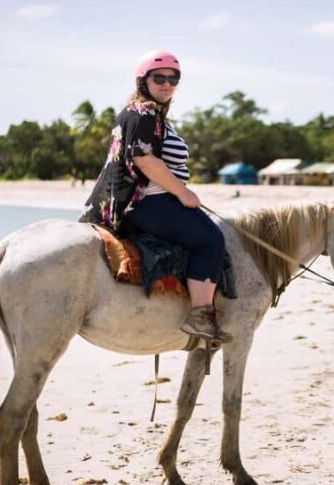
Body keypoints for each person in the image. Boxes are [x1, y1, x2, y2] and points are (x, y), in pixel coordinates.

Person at [79, 50, 231, 343]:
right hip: (144, 201)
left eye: (173, 79)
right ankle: (201, 315)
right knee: (211, 239)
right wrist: (183, 192)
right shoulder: (143, 113)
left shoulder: (152, 116)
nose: (167, 84)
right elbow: (145, 161)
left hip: (151, 199)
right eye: (158, 78)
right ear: (142, 81)